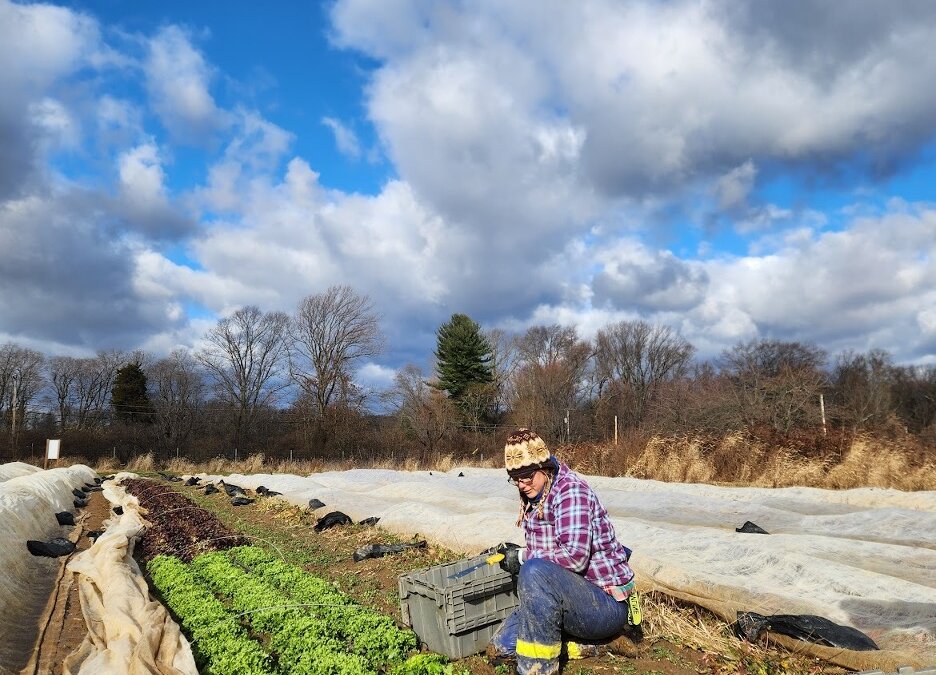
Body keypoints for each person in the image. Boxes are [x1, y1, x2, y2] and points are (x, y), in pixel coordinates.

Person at [487, 428, 641, 674]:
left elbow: (575, 557)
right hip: (572, 597)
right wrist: (516, 553)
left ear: (544, 466)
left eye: (526, 476)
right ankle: (597, 647)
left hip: (603, 605)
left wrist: (523, 557)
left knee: (534, 571)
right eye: (515, 478)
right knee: (502, 647)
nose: (521, 484)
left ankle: (537, 670)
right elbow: (546, 550)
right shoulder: (537, 493)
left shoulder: (571, 492)